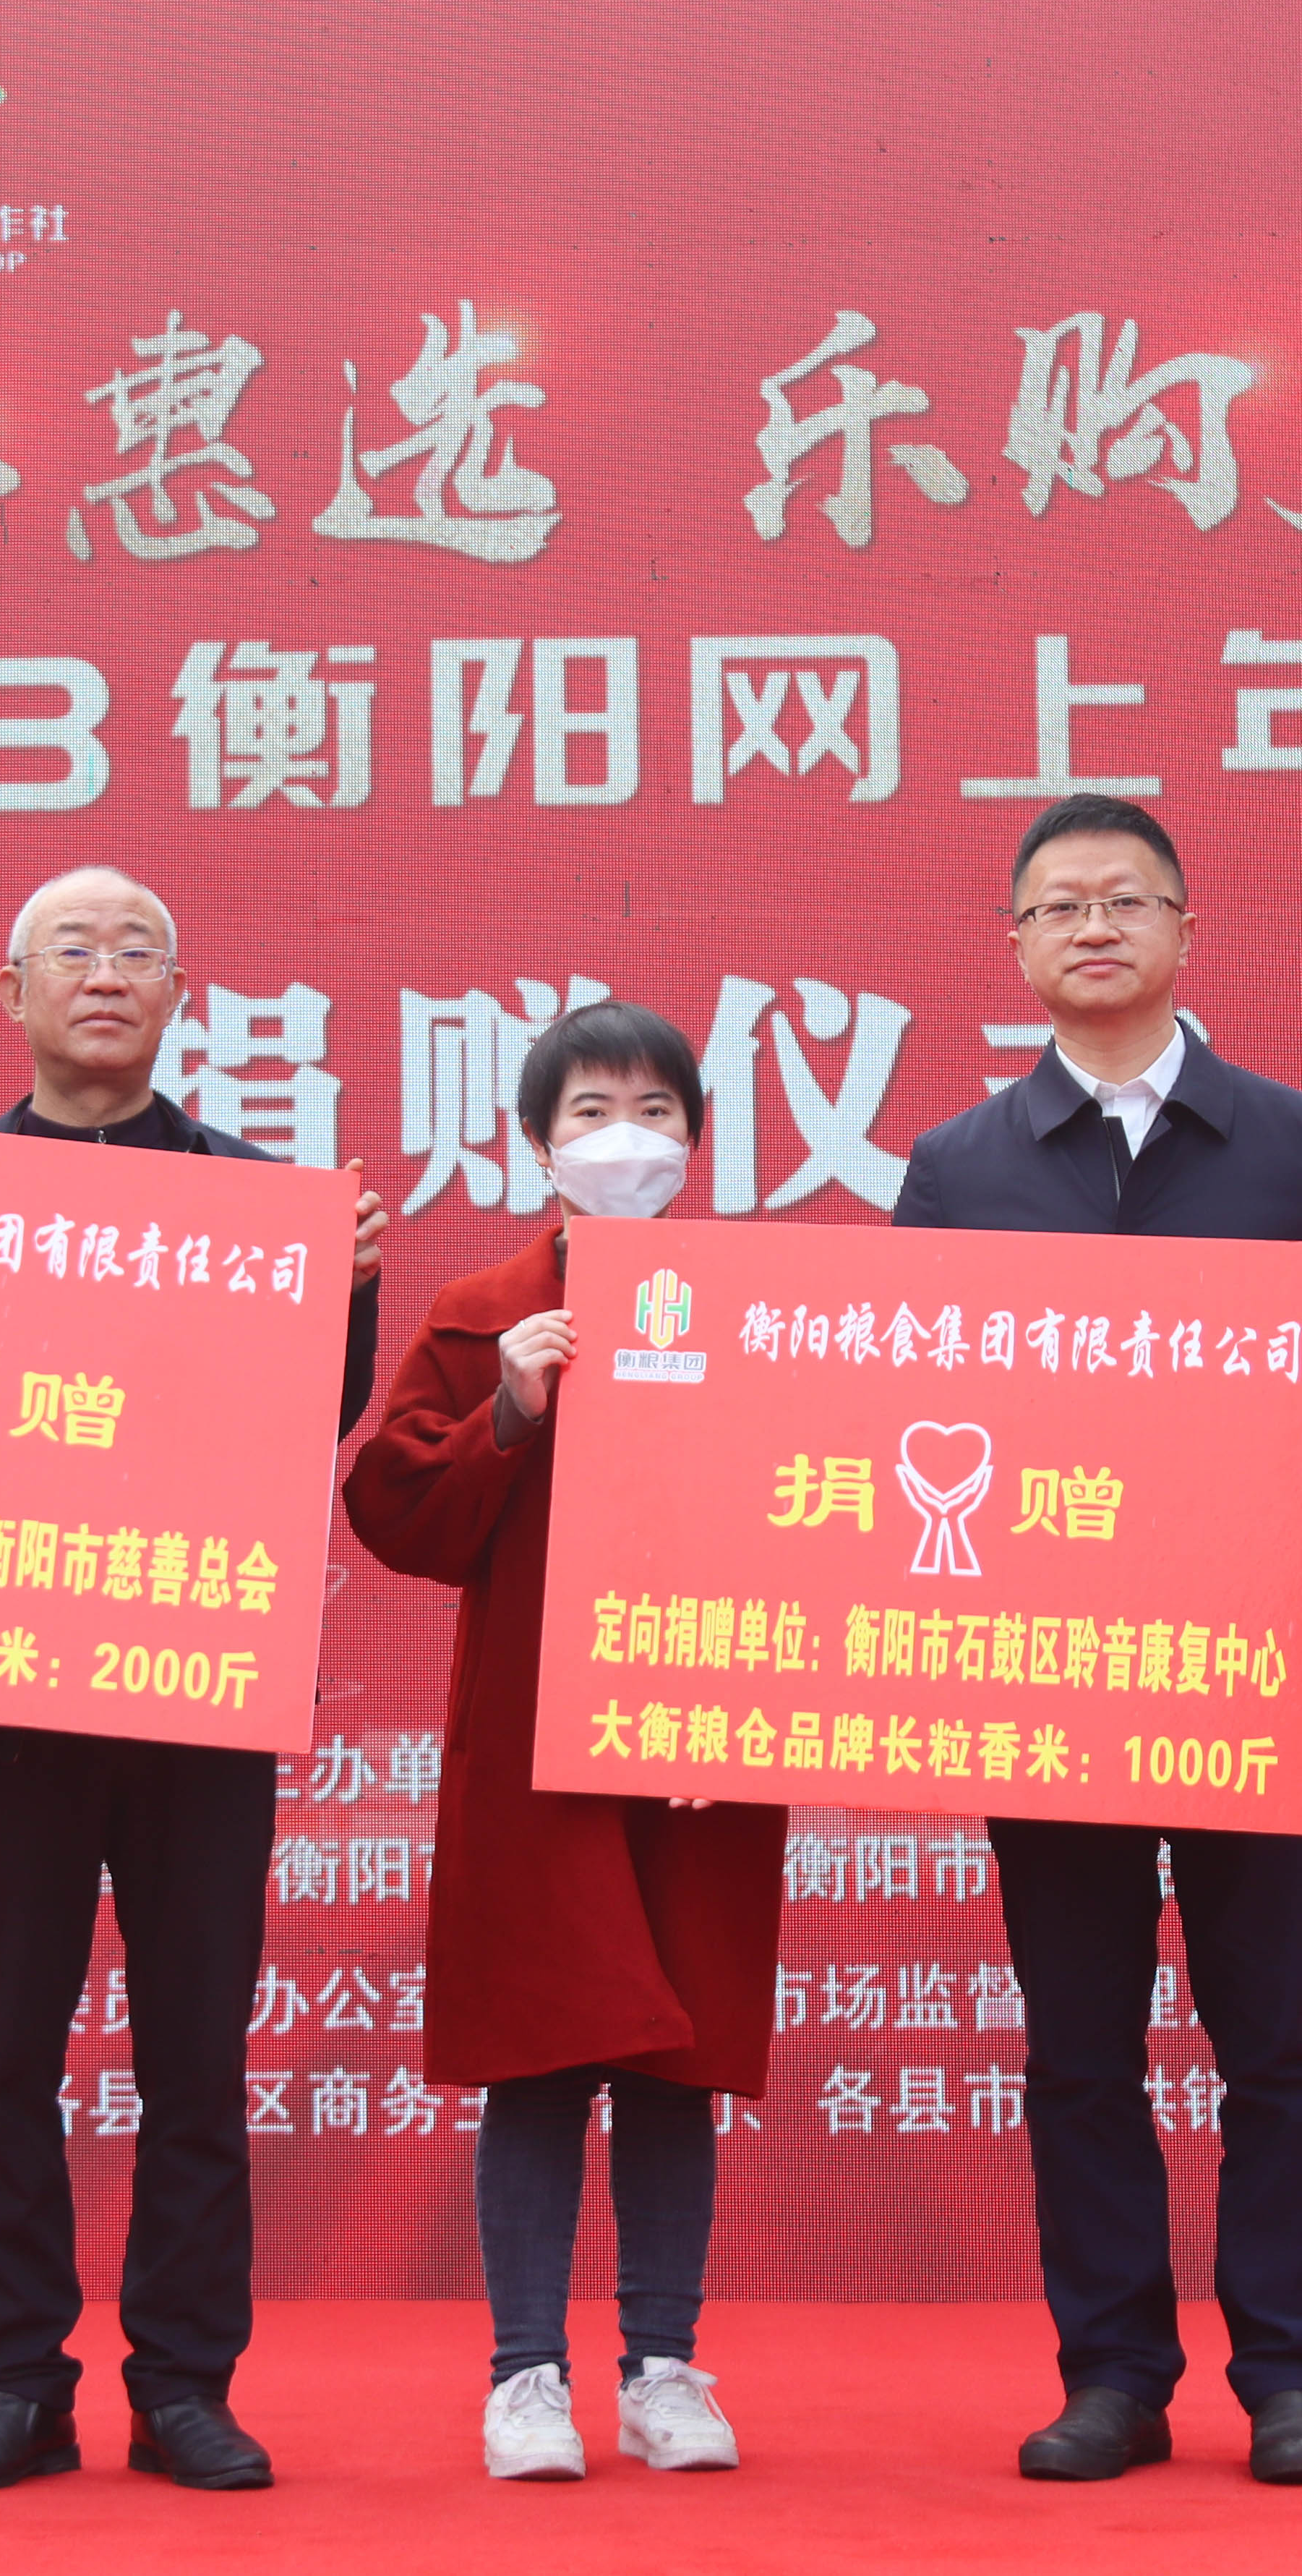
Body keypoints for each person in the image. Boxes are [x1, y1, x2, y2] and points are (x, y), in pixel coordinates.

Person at [891, 794, 1302, 2488]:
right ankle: (1114, 2371)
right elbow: (902, 1396)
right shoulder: (960, 1168)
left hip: (1247, 1666)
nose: (1094, 925)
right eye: (1059, 903)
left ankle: (1295, 2374)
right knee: (1079, 2045)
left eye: (1126, 898)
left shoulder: (1295, 1140)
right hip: (1049, 1680)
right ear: (1017, 947)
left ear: (1187, 930)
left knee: (1277, 2035)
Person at [0, 866, 387, 2496]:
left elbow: (302, 1428)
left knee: (195, 2057)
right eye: (72, 950)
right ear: (12, 991)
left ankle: (185, 2381)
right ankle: (13, 2381)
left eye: (136, 952)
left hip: (191, 1686)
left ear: (181, 997)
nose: (104, 973)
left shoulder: (261, 1201)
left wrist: (345, 1291)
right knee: (3, 2057)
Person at [343, 1002, 787, 2483]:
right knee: (537, 2055)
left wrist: (749, 1705)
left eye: (655, 1111)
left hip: (699, 1742)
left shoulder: (765, 1309)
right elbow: (396, 1515)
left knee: (673, 2059)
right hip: (536, 1747)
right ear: (537, 1143)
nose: (623, 1137)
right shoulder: (481, 1312)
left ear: (696, 1140)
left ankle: (663, 2366)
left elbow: (814, 1517)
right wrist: (510, 1408)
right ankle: (523, 2374)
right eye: (590, 1110)